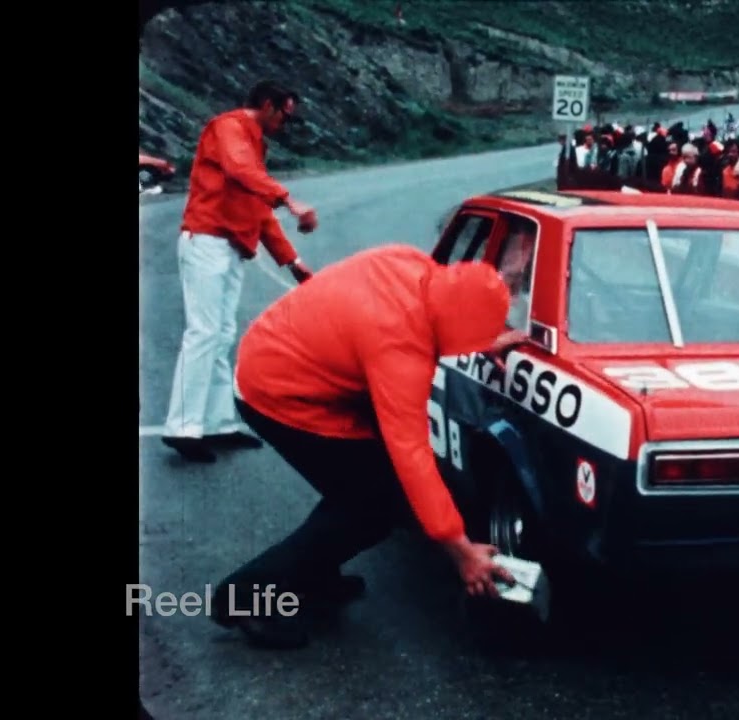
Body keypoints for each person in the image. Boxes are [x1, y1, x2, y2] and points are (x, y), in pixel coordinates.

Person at [210, 244, 524, 649]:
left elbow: (443, 320)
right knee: (371, 507)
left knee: (357, 486)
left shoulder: (413, 264)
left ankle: (312, 577)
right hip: (278, 394)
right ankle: (244, 596)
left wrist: (478, 335)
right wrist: (459, 548)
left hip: (284, 352)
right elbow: (411, 455)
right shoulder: (398, 348)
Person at [161, 80, 319, 464]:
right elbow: (240, 169)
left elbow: (256, 211)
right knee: (203, 332)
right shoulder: (229, 128)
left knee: (221, 333)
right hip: (206, 240)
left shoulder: (252, 143)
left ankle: (215, 423)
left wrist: (293, 262)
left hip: (229, 247)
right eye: (285, 114)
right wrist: (288, 199)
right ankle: (182, 427)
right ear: (268, 105)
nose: (286, 123)